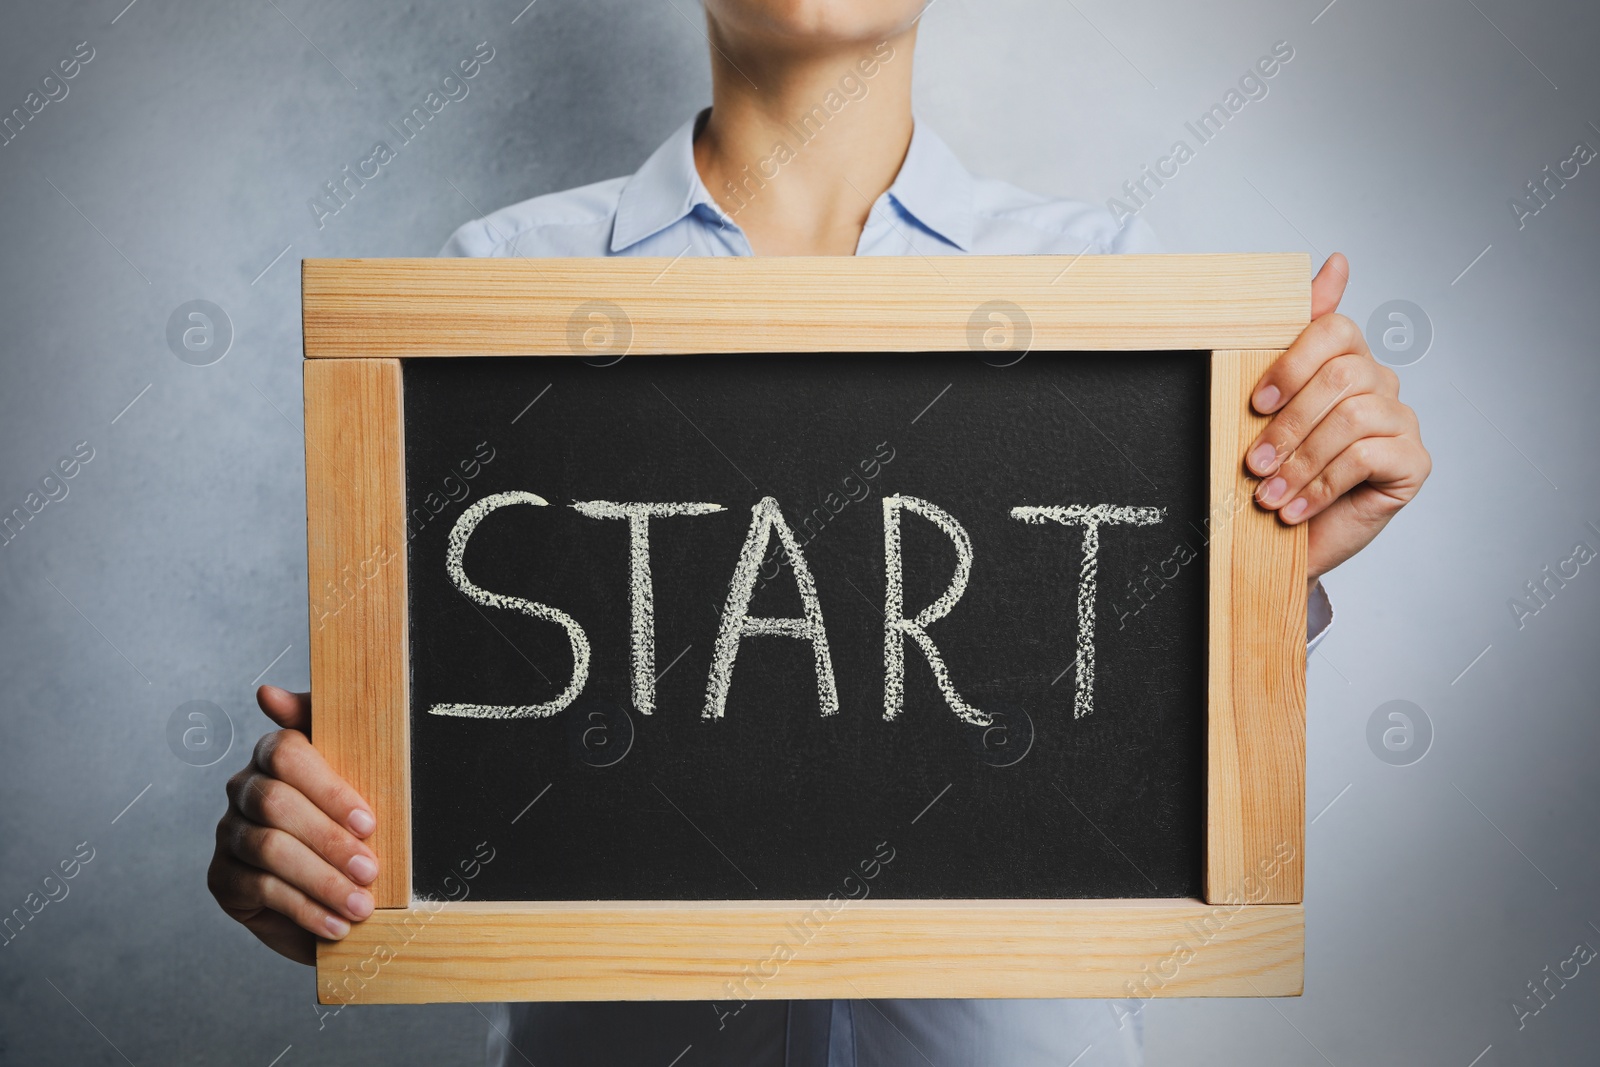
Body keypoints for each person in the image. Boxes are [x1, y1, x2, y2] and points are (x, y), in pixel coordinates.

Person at [209, 1, 1431, 1063]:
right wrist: (326, 852)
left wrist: (1280, 559)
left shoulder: (1110, 292)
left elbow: (1128, 722)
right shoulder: (503, 286)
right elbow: (460, 760)